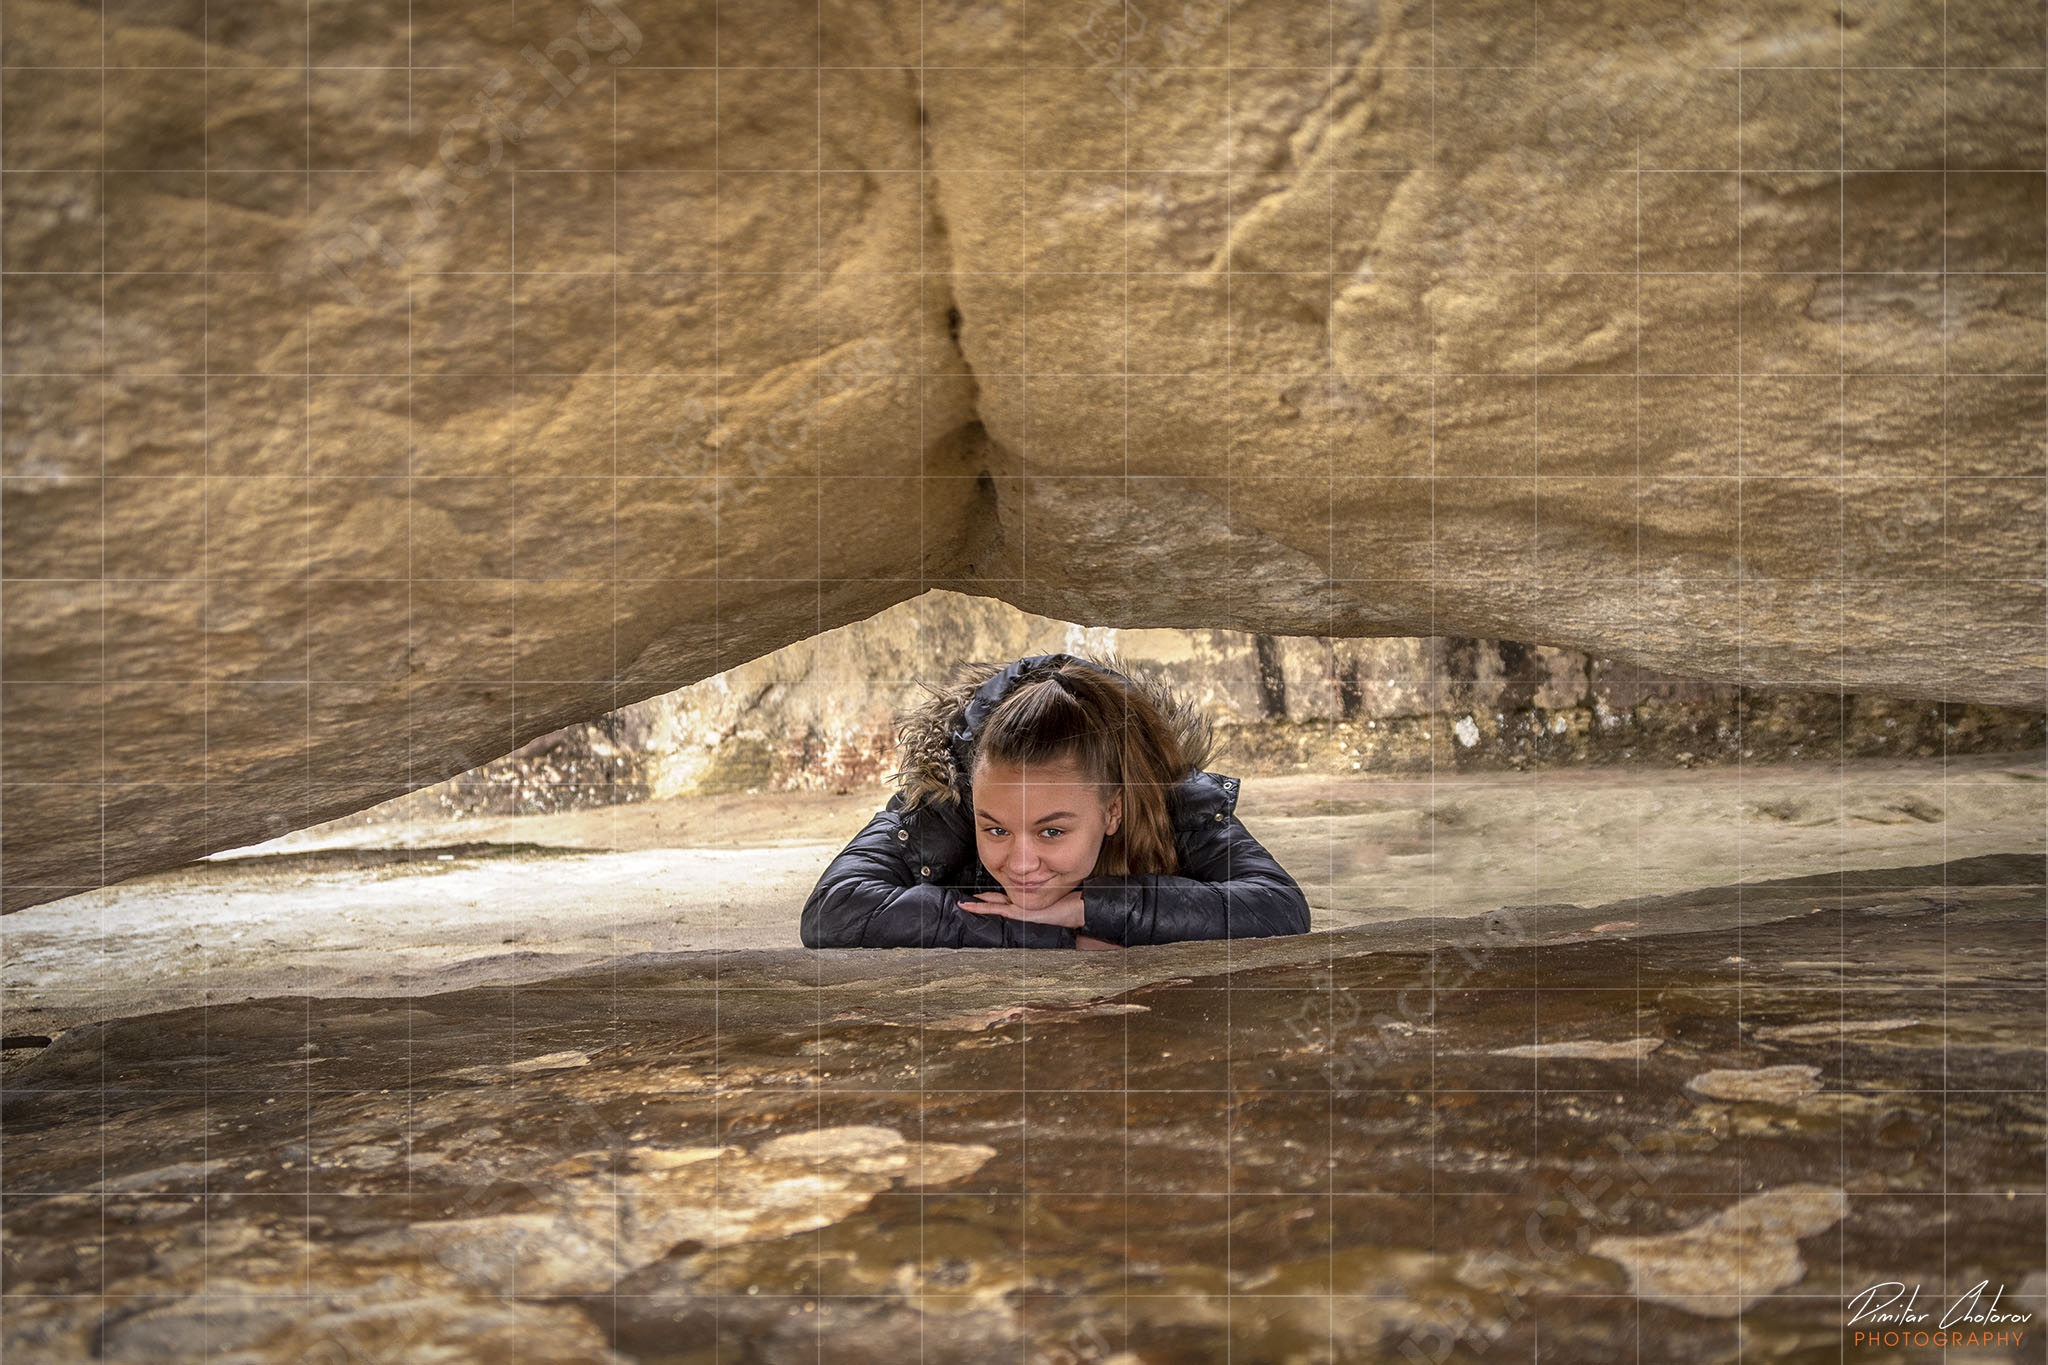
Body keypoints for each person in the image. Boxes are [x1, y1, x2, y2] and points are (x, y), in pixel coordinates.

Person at [800, 650, 1312, 949]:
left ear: (1113, 810)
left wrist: (1091, 908)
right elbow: (833, 911)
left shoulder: (1171, 798)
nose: (1020, 864)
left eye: (1052, 831)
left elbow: (1278, 908)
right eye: (996, 829)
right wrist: (1041, 931)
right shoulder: (948, 799)